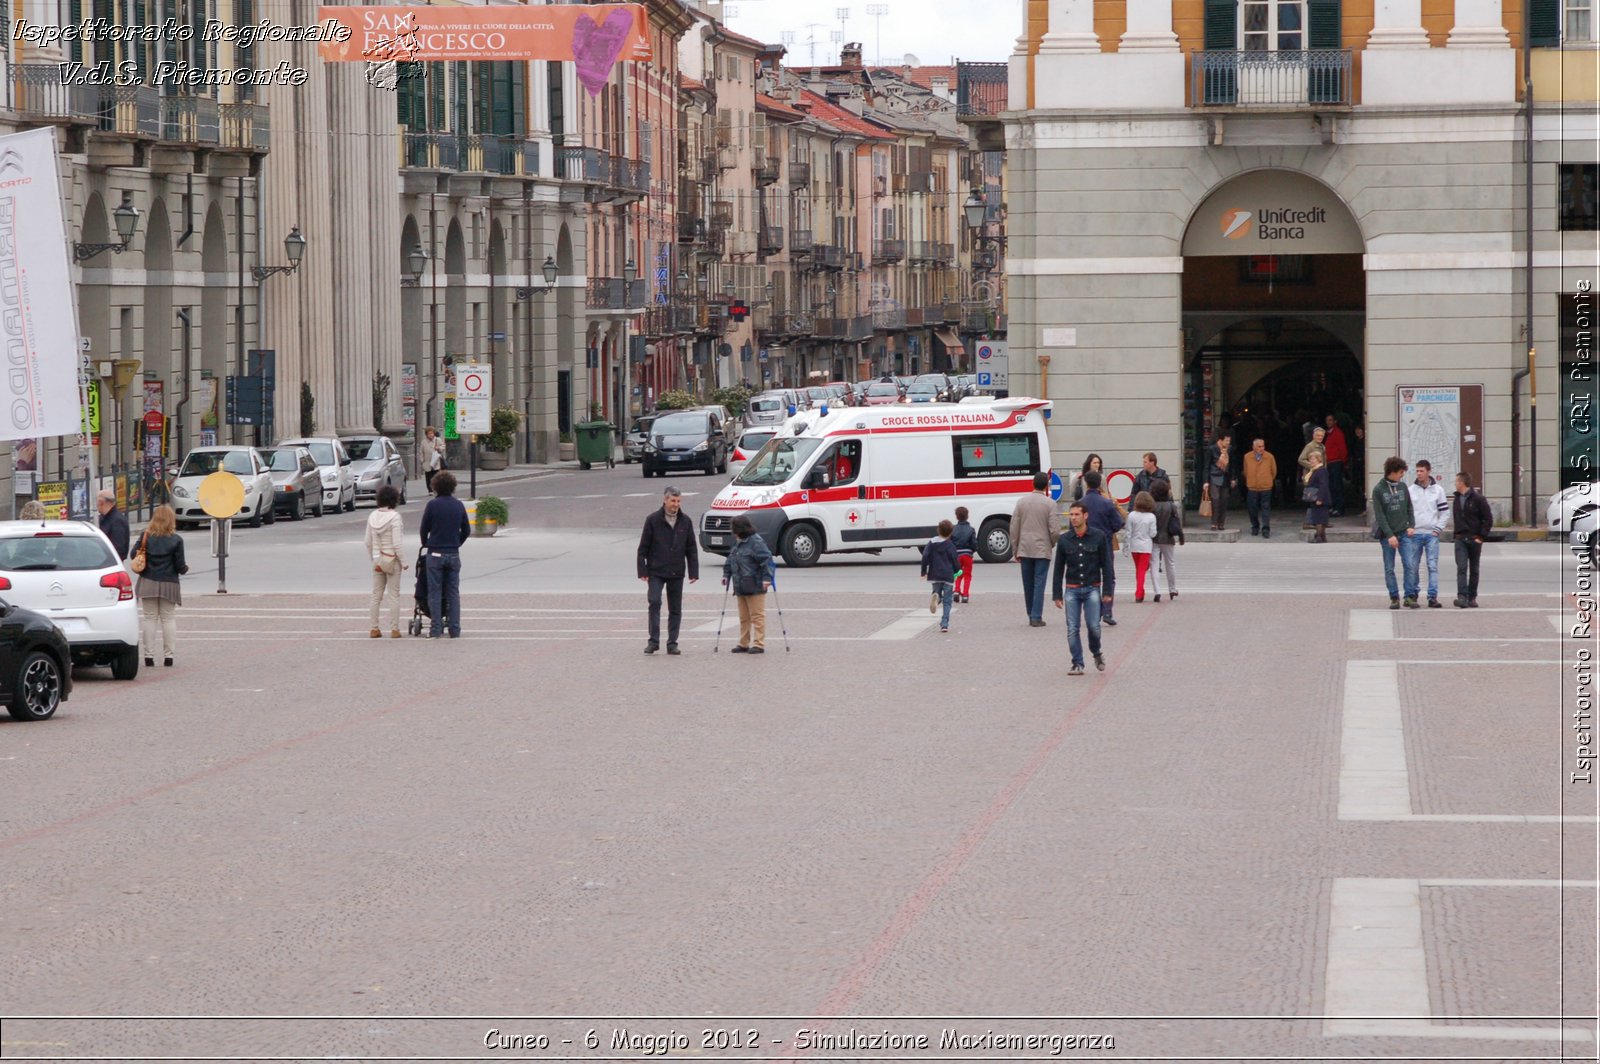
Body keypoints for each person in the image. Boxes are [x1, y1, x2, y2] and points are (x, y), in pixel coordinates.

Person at [1050, 500, 1113, 676]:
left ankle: (1096, 651)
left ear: (1085, 516)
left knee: (1094, 626)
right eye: (1071, 515)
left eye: (1077, 514)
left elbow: (1106, 565)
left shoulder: (1098, 537)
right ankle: (1077, 663)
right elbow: (1058, 569)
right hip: (1072, 589)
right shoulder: (1064, 540)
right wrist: (1057, 594)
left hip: (1092, 587)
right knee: (1072, 628)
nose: (1073, 518)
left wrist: (1107, 591)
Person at [638, 486, 699, 654]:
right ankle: (653, 641)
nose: (676, 504)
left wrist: (693, 572)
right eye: (673, 501)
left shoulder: (685, 521)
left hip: (676, 571)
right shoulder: (652, 520)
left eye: (678, 501)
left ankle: (672, 642)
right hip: (656, 570)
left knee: (675, 608)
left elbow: (691, 548)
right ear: (665, 500)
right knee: (654, 602)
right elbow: (643, 548)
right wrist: (642, 571)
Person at [132, 504, 186, 667]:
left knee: (149, 618)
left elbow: (133, 554)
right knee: (168, 618)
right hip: (169, 582)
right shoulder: (176, 540)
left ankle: (148, 656)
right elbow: (180, 565)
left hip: (148, 581)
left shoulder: (145, 536)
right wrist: (184, 569)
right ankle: (168, 656)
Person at [418, 470, 470, 638]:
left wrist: (426, 543)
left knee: (434, 592)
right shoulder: (458, 505)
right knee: (453, 592)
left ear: (435, 487)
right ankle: (455, 629)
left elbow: (423, 528)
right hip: (453, 553)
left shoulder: (432, 505)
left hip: (435, 553)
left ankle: (436, 629)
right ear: (453, 486)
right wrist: (457, 543)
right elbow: (466, 530)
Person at [1009, 471, 1060, 628]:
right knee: (1039, 582)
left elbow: (1014, 527)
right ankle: (1036, 616)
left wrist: (1015, 548)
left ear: (1033, 483)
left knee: (1027, 582)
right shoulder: (1050, 504)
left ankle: (1030, 612)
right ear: (1046, 486)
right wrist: (1050, 543)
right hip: (1042, 548)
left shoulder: (1021, 502)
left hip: (1024, 547)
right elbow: (1055, 530)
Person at [1372, 456, 1420, 609]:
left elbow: (1409, 507)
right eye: (1400, 472)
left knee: (1410, 564)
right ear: (1392, 472)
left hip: (1404, 532)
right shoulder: (1378, 489)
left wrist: (1411, 525)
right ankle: (1394, 597)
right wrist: (1390, 535)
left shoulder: (1402, 487)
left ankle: (1409, 596)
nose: (1402, 475)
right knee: (1389, 567)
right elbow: (1380, 516)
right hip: (1388, 536)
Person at [1078, 470, 1125, 624]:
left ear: (1086, 483)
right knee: (1108, 577)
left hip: (1085, 544)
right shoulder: (1106, 503)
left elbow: (1075, 526)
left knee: (1089, 578)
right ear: (1100, 484)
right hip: (1104, 544)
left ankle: (1093, 611)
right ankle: (1107, 611)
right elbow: (1118, 523)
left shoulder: (1081, 504)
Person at [721, 514, 772, 653]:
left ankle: (759, 643)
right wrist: (726, 574)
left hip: (755, 585)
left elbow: (767, 560)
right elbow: (730, 559)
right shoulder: (738, 542)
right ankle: (743, 643)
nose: (733, 532)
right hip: (740, 585)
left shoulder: (756, 542)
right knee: (744, 617)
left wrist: (767, 578)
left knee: (757, 616)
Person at [365, 484, 406, 638]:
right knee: (394, 595)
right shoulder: (395, 517)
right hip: (391, 559)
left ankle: (374, 628)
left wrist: (374, 557)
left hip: (377, 558)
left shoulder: (372, 516)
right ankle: (394, 629)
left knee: (376, 595)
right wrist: (404, 561)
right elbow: (397, 543)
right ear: (394, 499)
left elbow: (367, 541)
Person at [1408, 459, 1449, 607]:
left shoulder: (1438, 490)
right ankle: (1413, 594)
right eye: (1417, 471)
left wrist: (1438, 529)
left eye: (1422, 471)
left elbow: (1444, 512)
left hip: (1431, 533)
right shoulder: (1411, 490)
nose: (1419, 474)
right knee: (1413, 565)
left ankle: (1432, 596)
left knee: (1432, 565)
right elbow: (1407, 511)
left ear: (1428, 471)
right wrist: (1409, 526)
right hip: (1416, 533)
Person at [1450, 471, 1493, 608]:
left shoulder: (1478, 499)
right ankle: (1462, 597)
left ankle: (1472, 597)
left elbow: (1488, 519)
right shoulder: (1457, 498)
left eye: (1456, 481)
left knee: (1474, 569)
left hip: (1474, 538)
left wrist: (1481, 536)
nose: (1455, 484)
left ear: (1462, 483)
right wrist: (1456, 535)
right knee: (1461, 567)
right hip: (1460, 539)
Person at [920, 519, 960, 634]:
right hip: (948, 576)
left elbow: (925, 556)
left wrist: (923, 572)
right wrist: (957, 571)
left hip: (934, 574)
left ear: (938, 530)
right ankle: (944, 624)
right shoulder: (950, 545)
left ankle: (936, 598)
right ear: (950, 533)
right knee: (947, 601)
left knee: (936, 592)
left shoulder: (931, 543)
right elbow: (955, 560)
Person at [1150, 479, 1183, 602]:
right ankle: (1172, 589)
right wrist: (1181, 536)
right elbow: (1177, 522)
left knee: (1154, 564)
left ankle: (1157, 591)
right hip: (1168, 537)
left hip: (1154, 538)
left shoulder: (1151, 506)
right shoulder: (1171, 506)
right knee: (1170, 563)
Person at [1125, 490, 1157, 602]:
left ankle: (1140, 592)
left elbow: (1128, 532)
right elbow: (1153, 533)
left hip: (1134, 546)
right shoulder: (1151, 517)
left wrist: (1126, 548)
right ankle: (1139, 593)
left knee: (1139, 569)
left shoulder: (1131, 515)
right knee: (1142, 570)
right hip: (1146, 547)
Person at [1242, 437, 1277, 538]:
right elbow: (1245, 471)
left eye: (1263, 446)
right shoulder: (1247, 457)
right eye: (1259, 446)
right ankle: (1255, 526)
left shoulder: (1269, 457)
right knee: (1252, 508)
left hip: (1266, 486)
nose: (1262, 448)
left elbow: (1273, 471)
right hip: (1252, 487)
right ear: (1253, 447)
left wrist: (1268, 479)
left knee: (1266, 508)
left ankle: (1266, 528)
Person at [1206, 431, 1234, 531]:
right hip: (1214, 476)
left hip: (1225, 477)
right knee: (1215, 500)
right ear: (1220, 440)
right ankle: (1214, 523)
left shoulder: (1229, 449)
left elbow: (1232, 465)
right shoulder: (1212, 449)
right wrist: (1206, 481)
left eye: (1229, 441)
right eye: (1226, 440)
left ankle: (1221, 523)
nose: (1228, 443)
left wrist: (1233, 478)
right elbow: (1207, 466)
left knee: (1224, 500)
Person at [1323, 415, 1350, 516]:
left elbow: (1342, 448)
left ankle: (1339, 508)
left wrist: (1343, 461)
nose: (1328, 422)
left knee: (1337, 486)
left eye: (1330, 420)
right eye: (1327, 420)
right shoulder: (1328, 433)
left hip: (1336, 462)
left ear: (1335, 421)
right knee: (1331, 486)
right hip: (1329, 462)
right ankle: (1334, 506)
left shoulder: (1337, 433)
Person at [950, 506, 978, 603]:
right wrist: (972, 551)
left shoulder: (953, 529)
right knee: (967, 575)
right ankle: (965, 595)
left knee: (958, 574)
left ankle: (957, 591)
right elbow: (974, 543)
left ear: (956, 517)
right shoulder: (971, 529)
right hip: (967, 555)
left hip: (956, 555)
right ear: (967, 516)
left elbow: (950, 542)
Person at [1304, 451, 1331, 543]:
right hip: (1316, 498)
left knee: (1319, 519)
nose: (1311, 461)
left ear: (1318, 459)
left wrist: (1320, 498)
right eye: (1310, 459)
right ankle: (1322, 537)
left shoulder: (1321, 470)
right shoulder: (1314, 470)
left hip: (1320, 498)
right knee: (1319, 518)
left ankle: (1319, 536)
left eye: (1313, 459)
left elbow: (1323, 485)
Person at [97, 489, 129, 559]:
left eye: (97, 502)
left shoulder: (117, 521)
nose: (96, 505)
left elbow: (119, 549)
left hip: (110, 564)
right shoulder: (104, 518)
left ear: (101, 503)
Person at [422, 426, 445, 495]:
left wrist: (438, 448)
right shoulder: (423, 442)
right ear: (426, 434)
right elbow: (421, 451)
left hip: (436, 461)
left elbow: (443, 446)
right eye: (429, 433)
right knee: (428, 476)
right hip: (427, 461)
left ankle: (436, 489)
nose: (431, 435)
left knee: (436, 476)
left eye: (432, 433)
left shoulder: (437, 440)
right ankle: (430, 490)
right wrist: (422, 460)